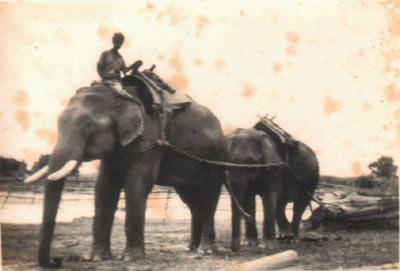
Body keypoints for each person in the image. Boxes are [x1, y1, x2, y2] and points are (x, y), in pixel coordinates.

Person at [97, 32, 136, 97]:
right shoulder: (105, 54)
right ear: (113, 41)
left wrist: (132, 66)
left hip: (115, 81)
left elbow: (125, 70)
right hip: (107, 80)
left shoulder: (120, 58)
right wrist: (103, 78)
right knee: (125, 96)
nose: (119, 44)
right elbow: (99, 67)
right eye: (117, 41)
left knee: (121, 92)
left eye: (120, 42)